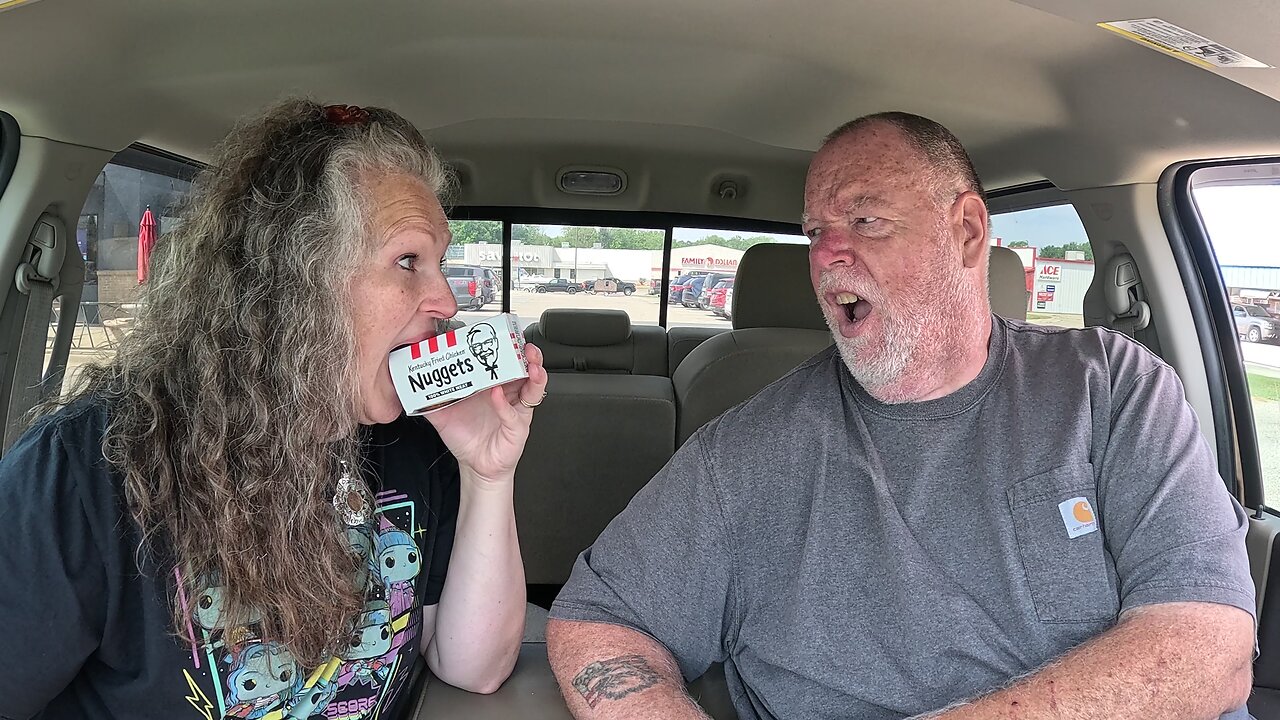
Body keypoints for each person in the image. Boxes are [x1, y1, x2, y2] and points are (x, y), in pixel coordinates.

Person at [546, 112, 1256, 719]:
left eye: (864, 218)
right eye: (815, 230)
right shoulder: (742, 454)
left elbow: (1208, 646)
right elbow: (600, 622)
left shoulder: (1112, 387)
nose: (826, 254)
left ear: (969, 232)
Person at [0, 98, 548, 719]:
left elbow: (474, 667)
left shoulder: (414, 443)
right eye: (407, 260)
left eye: (439, 263)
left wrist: (486, 474)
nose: (445, 298)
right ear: (295, 279)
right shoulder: (83, 473)